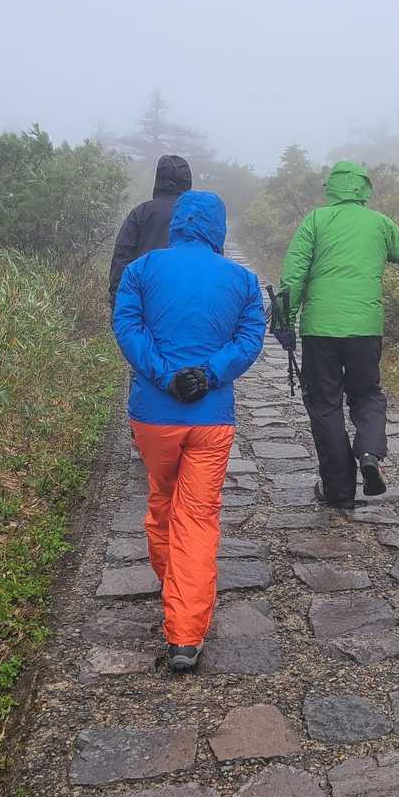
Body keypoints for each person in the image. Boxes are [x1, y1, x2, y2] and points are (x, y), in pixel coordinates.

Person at [113, 190, 265, 673]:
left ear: (178, 222)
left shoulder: (141, 270)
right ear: (218, 227)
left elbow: (128, 327)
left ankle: (172, 582)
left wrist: (165, 376)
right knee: (197, 517)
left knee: (162, 498)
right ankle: (185, 634)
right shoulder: (242, 280)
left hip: (153, 415)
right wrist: (209, 374)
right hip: (210, 418)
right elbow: (249, 338)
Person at [278, 161, 399, 510]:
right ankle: (370, 453)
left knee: (325, 405)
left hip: (320, 330)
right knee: (367, 394)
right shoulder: (381, 224)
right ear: (364, 189)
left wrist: (284, 321)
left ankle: (339, 490)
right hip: (365, 329)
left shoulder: (315, 220)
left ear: (331, 188)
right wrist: (383, 253)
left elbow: (293, 276)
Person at [108, 154, 193, 313]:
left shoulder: (140, 213)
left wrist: (118, 308)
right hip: (188, 306)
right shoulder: (198, 215)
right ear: (188, 181)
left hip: (144, 305)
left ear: (158, 180)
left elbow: (121, 260)